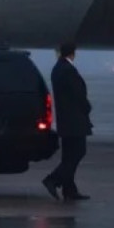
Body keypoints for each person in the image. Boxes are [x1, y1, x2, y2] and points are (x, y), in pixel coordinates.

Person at [42, 42, 93, 201]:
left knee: (68, 156)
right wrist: (87, 108)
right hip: (75, 121)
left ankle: (69, 190)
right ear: (73, 53)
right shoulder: (68, 70)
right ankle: (53, 179)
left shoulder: (58, 69)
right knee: (78, 152)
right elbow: (78, 95)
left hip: (65, 121)